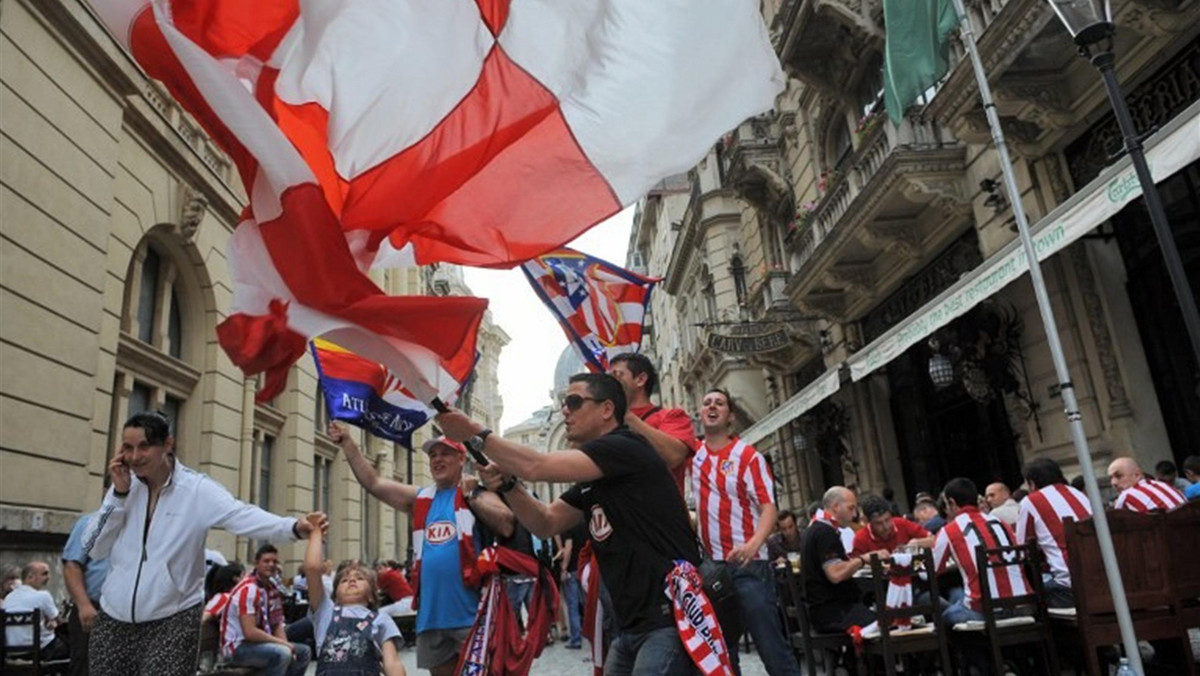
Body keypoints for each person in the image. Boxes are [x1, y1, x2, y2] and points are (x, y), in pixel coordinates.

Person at [436, 373, 702, 676]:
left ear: (606, 410)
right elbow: (546, 522)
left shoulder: (624, 447)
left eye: (574, 402)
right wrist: (510, 486)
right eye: (564, 402)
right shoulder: (598, 475)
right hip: (630, 626)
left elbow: (536, 466)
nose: (565, 410)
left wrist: (474, 432)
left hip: (668, 619)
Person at [83, 410, 323, 676]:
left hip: (171, 619)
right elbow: (93, 546)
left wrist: (293, 527)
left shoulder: (196, 489)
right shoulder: (123, 489)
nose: (135, 457)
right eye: (127, 448)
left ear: (167, 445)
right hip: (113, 619)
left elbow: (241, 515)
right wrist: (117, 495)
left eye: (144, 446)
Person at [331, 423, 515, 676]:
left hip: (472, 617)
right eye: (433, 455)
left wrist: (471, 496)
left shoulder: (476, 493)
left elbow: (505, 524)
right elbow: (373, 483)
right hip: (431, 619)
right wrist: (348, 444)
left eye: (445, 453)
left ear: (461, 459)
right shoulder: (420, 498)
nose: (437, 459)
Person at [692, 388, 803, 676]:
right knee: (722, 652)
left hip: (749, 566)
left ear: (730, 415)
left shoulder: (748, 456)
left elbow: (769, 507)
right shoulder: (694, 456)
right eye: (707, 403)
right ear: (700, 413)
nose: (712, 406)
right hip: (712, 568)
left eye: (719, 403)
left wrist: (754, 544)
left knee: (770, 645)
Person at [303, 518, 406, 676]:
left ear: (372, 595)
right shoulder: (326, 612)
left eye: (359, 578)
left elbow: (392, 661)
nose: (351, 580)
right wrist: (316, 533)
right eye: (344, 580)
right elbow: (312, 569)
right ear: (335, 595)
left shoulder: (381, 619)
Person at [933, 477, 1031, 625]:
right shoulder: (1001, 523)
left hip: (985, 611)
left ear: (952, 503)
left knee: (943, 618)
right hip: (1026, 605)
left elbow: (931, 569)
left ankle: (979, 648)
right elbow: (1022, 554)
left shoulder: (949, 530)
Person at [608, 352, 696, 494]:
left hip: (660, 513)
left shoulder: (671, 417)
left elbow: (673, 456)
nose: (610, 383)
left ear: (641, 379)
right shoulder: (607, 422)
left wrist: (627, 416)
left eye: (617, 376)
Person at [799, 487, 882, 632]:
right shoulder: (825, 532)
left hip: (822, 610)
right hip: (833, 612)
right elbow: (835, 575)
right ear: (836, 507)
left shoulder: (814, 528)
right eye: (851, 508)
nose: (855, 514)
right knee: (885, 623)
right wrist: (863, 559)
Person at [220, 545, 311, 676]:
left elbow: (277, 624)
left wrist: (286, 644)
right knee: (282, 654)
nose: (271, 565)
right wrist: (284, 645)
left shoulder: (272, 588)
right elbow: (250, 632)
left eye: (274, 561)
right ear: (256, 563)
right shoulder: (248, 589)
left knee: (303, 652)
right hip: (238, 647)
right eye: (266, 561)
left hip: (259, 644)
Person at [1014, 458, 1092, 609]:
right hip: (1103, 579)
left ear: (1031, 483)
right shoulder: (1078, 494)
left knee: (1030, 599)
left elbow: (1022, 550)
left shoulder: (1030, 501)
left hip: (1069, 589)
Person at [62, 510, 109, 676]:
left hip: (129, 611)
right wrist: (84, 605)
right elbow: (72, 566)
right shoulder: (92, 523)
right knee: (85, 665)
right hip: (93, 607)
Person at [3, 561, 69, 660]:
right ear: (30, 577)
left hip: (12, 653)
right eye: (44, 574)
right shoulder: (43, 596)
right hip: (40, 651)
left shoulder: (9, 598)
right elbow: (60, 622)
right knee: (75, 645)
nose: (48, 577)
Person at [850, 494, 935, 558]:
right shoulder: (861, 538)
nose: (886, 526)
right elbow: (857, 563)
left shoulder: (902, 524)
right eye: (879, 523)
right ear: (867, 522)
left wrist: (918, 543)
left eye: (887, 520)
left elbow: (935, 540)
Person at [1107, 456, 1186, 512]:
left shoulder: (1127, 495)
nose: (1113, 483)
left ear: (1137, 475)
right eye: (1111, 478)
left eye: (1119, 476)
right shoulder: (1164, 486)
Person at [558, 520, 588, 649]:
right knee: (587, 604)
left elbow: (568, 547)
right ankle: (592, 635)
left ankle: (576, 639)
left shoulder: (567, 525)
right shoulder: (584, 522)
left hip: (572, 569)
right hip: (585, 567)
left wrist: (564, 568)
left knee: (573, 606)